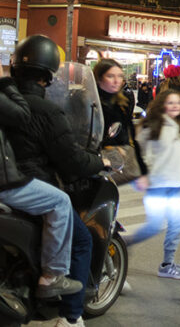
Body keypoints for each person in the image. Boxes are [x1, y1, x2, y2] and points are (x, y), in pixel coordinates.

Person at [8, 36, 107, 327]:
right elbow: (71, 160)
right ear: (49, 75)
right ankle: (71, 315)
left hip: (9, 180)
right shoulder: (47, 111)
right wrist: (98, 161)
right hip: (26, 182)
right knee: (81, 240)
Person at [0, 74, 82, 299]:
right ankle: (52, 277)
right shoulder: (44, 108)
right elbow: (21, 114)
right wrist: (6, 82)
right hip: (4, 182)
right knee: (60, 201)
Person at [128, 88, 180, 280]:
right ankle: (123, 244)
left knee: (176, 224)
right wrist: (139, 176)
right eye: (170, 102)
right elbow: (137, 153)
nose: (175, 106)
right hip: (157, 184)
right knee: (154, 226)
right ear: (162, 104)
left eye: (178, 103)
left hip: (177, 184)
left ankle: (167, 264)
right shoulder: (152, 126)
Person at [93, 59, 149, 189]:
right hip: (93, 163)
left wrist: (142, 170)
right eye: (110, 76)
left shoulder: (121, 103)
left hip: (114, 165)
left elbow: (132, 136)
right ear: (99, 78)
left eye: (119, 76)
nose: (116, 81)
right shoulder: (91, 103)